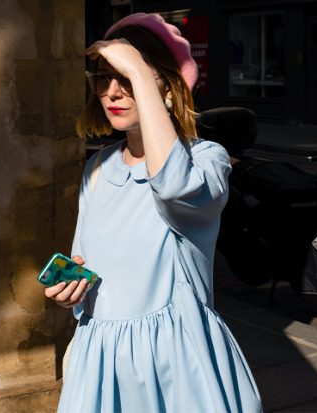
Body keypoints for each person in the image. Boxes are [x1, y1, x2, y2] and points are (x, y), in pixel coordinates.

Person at [44, 12, 262, 413]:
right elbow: (85, 267)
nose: (111, 91)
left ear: (165, 85)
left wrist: (141, 73)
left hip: (172, 363)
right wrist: (70, 291)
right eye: (104, 78)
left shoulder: (206, 160)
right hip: (101, 361)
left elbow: (175, 186)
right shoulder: (99, 167)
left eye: (126, 78)